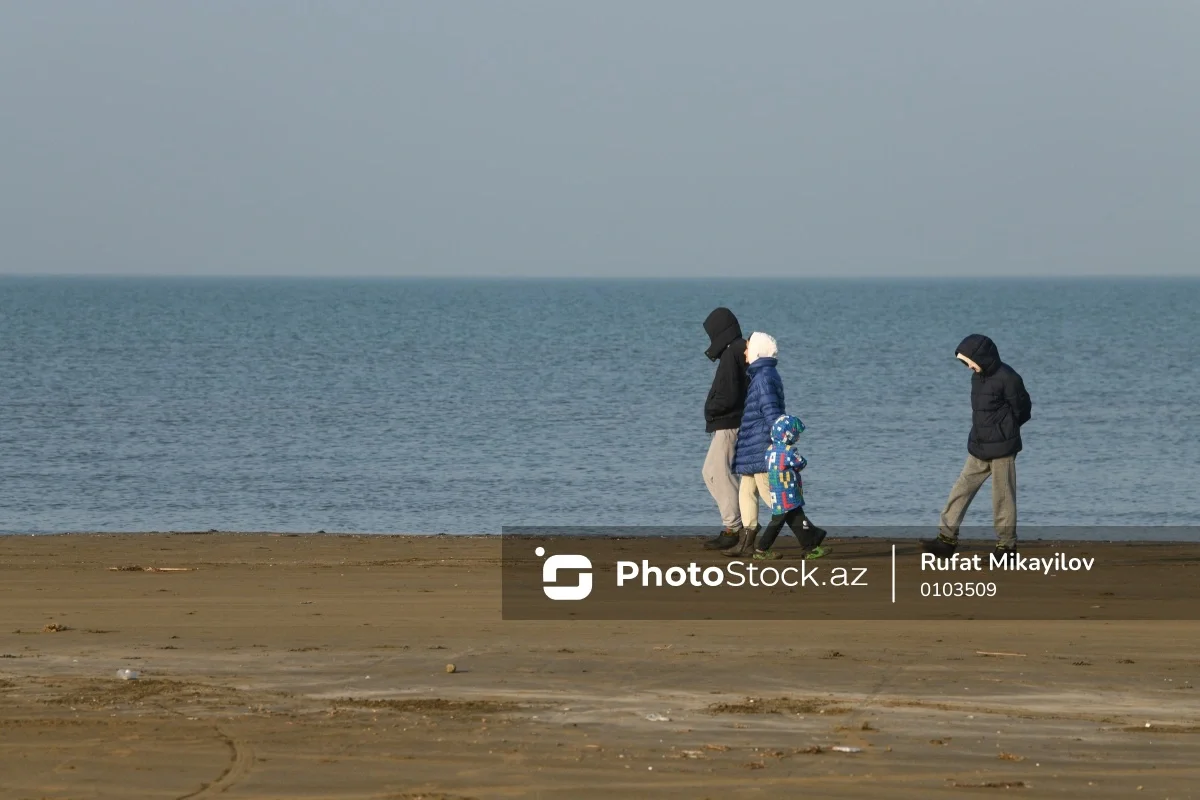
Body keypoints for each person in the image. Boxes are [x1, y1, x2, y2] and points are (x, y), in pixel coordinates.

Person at [923, 334, 1032, 557]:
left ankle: (1006, 547)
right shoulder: (977, 378)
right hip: (979, 446)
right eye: (964, 362)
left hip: (1003, 448)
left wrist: (1006, 430)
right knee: (960, 490)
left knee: (1003, 498)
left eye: (969, 361)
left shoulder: (1009, 377)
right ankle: (946, 540)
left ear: (982, 357)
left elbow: (1023, 409)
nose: (968, 366)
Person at [723, 332, 783, 557]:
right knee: (746, 491)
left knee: (774, 497)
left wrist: (776, 441)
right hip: (752, 446)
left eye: (748, 348)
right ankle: (747, 542)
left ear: (757, 351)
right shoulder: (761, 375)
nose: (745, 352)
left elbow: (771, 413)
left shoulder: (764, 377)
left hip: (760, 446)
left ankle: (807, 535)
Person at [701, 307, 748, 550]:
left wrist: (710, 410)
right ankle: (737, 523)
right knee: (711, 473)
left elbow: (730, 395)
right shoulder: (737, 349)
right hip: (729, 422)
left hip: (730, 423)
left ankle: (735, 527)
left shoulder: (733, 353)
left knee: (720, 474)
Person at [751, 414, 828, 560]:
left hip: (776, 491)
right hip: (788, 492)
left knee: (797, 518)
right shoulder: (789, 451)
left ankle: (810, 546)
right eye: (796, 434)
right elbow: (801, 463)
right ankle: (761, 549)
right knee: (778, 522)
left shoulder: (770, 449)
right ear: (788, 434)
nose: (797, 437)